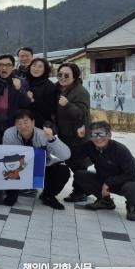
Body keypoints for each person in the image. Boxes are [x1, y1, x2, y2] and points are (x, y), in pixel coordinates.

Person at [74, 121, 135, 221]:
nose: (98, 138)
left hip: (123, 183)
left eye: (101, 134)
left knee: (134, 186)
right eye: (94, 134)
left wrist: (108, 183)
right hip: (103, 181)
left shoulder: (120, 150)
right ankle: (105, 201)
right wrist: (80, 138)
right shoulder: (90, 146)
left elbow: (132, 175)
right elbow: (74, 154)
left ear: (109, 135)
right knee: (79, 175)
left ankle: (132, 206)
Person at [2, 110, 71, 208]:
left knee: (63, 170)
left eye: (26, 122)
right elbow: (7, 156)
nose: (23, 126)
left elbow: (66, 155)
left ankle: (48, 196)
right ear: (15, 124)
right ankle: (12, 195)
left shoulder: (43, 135)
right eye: (19, 123)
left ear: (33, 122)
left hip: (40, 168)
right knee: (7, 165)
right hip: (20, 166)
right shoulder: (9, 134)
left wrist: (52, 139)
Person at [56, 62, 92, 203]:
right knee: (72, 163)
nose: (62, 77)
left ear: (75, 76)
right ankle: (82, 189)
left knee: (78, 164)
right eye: (60, 74)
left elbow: (82, 114)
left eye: (66, 75)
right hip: (66, 135)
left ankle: (81, 191)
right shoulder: (61, 88)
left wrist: (67, 105)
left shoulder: (80, 92)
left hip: (77, 136)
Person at [0, 54, 32, 144]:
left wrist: (19, 89)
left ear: (12, 67)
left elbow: (26, 104)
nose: (4, 68)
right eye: (1, 64)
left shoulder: (21, 82)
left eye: (8, 65)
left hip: (12, 126)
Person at [26, 58, 58, 129]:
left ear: (45, 69)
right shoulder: (25, 82)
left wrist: (33, 100)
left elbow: (49, 110)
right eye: (34, 65)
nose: (36, 69)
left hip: (40, 125)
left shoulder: (50, 86)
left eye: (40, 67)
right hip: (23, 123)